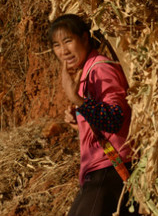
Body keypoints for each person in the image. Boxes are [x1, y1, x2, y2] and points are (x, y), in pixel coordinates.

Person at [49, 13, 133, 216]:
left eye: (68, 41)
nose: (63, 51)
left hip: (108, 170)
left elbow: (114, 118)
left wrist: (78, 100)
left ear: (85, 38)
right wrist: (79, 117)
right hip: (98, 171)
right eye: (57, 45)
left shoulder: (100, 69)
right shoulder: (85, 72)